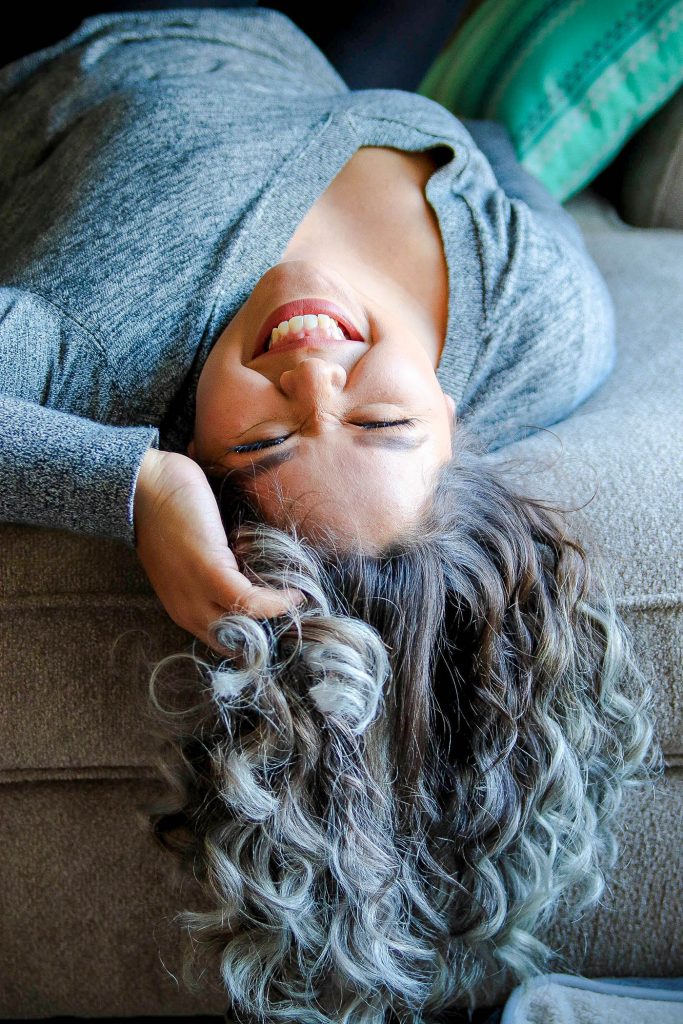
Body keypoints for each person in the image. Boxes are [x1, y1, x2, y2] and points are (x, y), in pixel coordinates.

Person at [0, 7, 662, 1022]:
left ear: (202, 461)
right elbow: (490, 149)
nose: (311, 376)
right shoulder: (543, 324)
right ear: (454, 416)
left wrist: (129, 488)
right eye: (383, 418)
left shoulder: (98, 333)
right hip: (316, 48)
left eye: (263, 442)